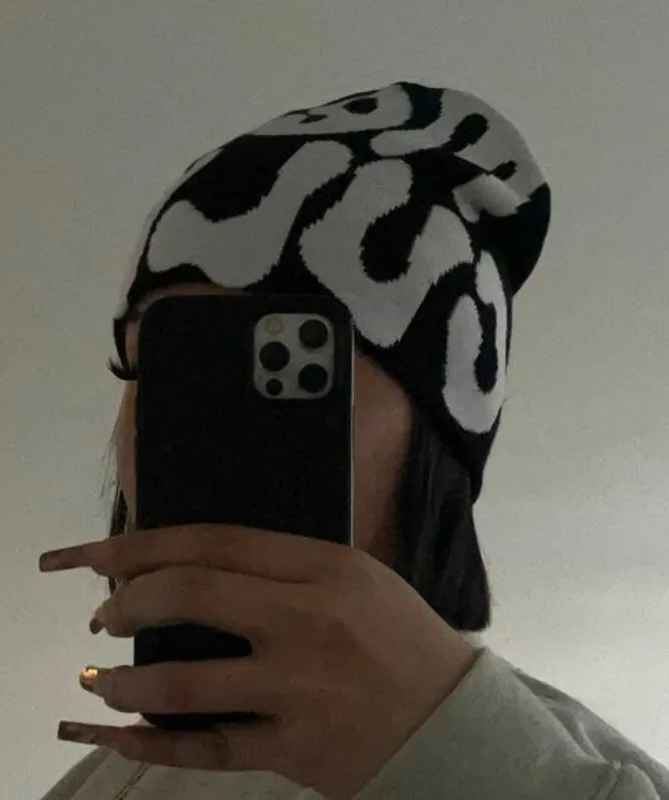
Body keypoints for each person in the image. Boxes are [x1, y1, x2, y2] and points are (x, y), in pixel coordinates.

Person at [37, 80, 669, 799]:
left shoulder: (569, 779)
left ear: (437, 441)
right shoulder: (116, 780)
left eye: (278, 378)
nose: (210, 432)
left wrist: (452, 753)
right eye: (165, 371)